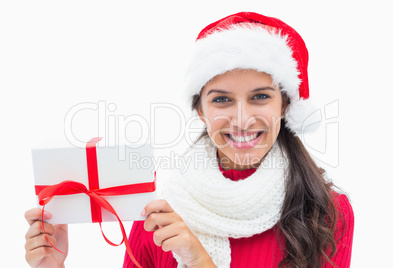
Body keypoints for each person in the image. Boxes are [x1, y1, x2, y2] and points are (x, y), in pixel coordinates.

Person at [24, 12, 354, 268]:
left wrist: (198, 259)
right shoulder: (157, 215)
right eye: (221, 100)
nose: (241, 119)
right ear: (200, 111)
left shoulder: (327, 214)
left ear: (285, 106)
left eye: (260, 97)